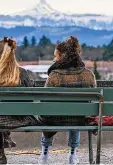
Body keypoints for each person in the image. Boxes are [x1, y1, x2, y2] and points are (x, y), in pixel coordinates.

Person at [38, 36, 97, 165]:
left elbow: (44, 101)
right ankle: (73, 154)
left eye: (56, 56)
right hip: (80, 119)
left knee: (48, 113)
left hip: (55, 119)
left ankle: (45, 153)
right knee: (77, 112)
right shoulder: (89, 75)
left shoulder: (54, 75)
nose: (54, 59)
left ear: (62, 56)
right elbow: (93, 101)